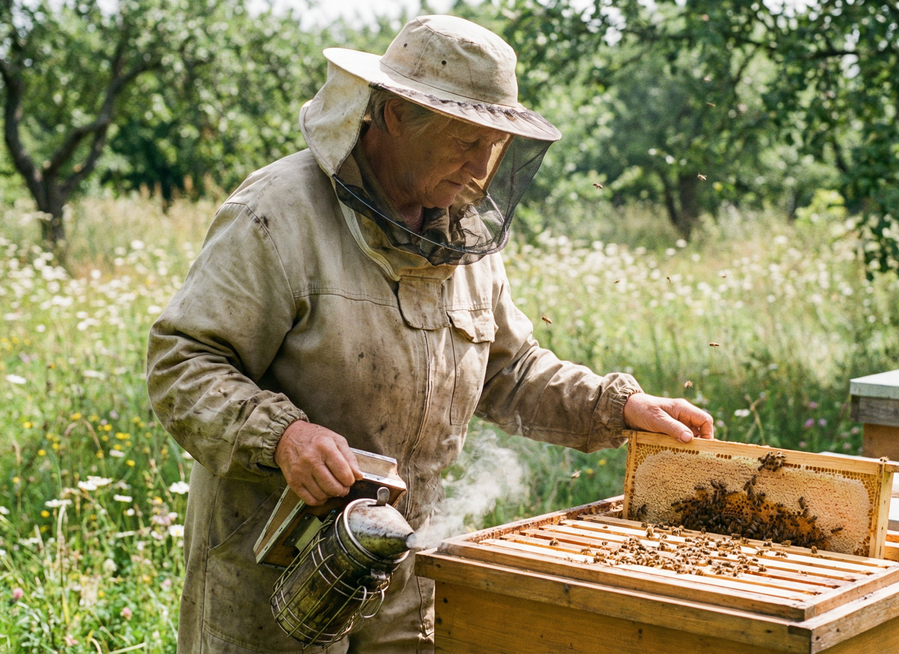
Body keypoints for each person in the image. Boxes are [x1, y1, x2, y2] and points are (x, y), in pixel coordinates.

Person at [145, 14, 713, 654]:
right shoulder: (277, 213)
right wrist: (282, 438)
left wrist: (617, 407)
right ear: (393, 115)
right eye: (466, 139)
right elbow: (182, 362)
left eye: (496, 144)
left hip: (403, 575)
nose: (482, 166)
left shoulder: (462, 236)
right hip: (273, 573)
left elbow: (509, 370)